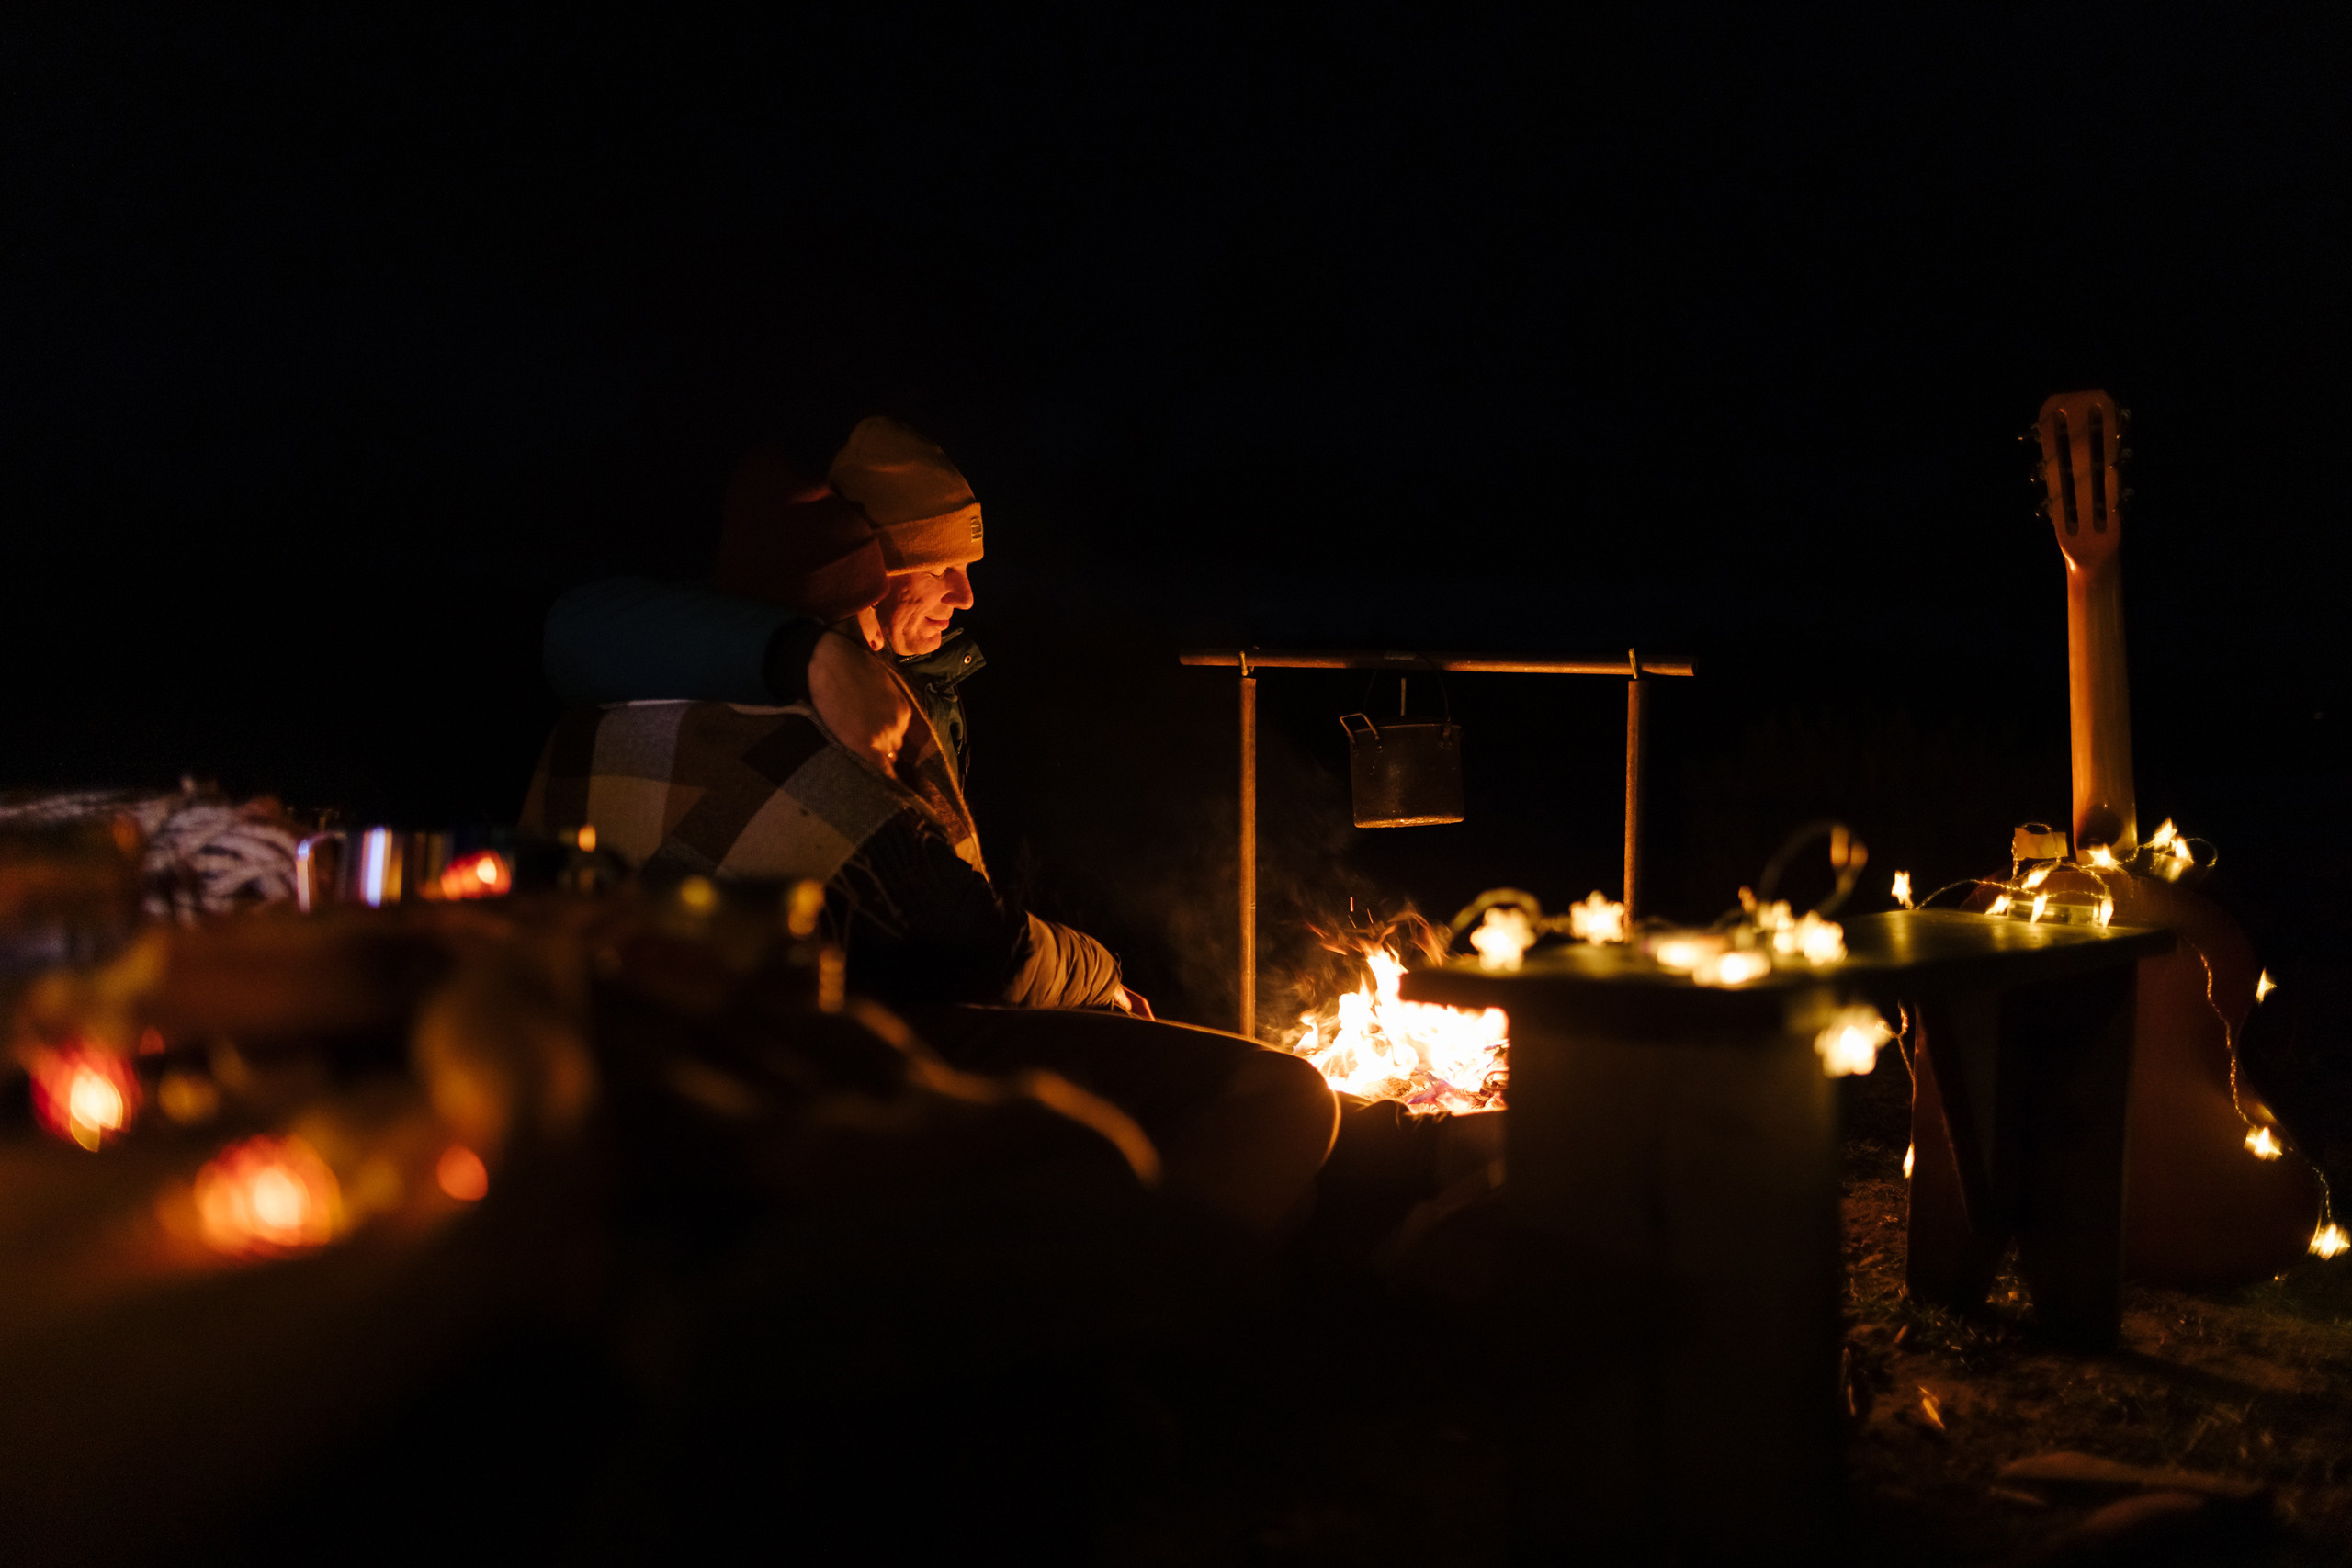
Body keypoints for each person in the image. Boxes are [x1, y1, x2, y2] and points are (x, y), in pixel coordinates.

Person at [523, 420, 1337, 1235]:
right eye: (939, 567)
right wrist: (1101, 972)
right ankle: (1150, 1287)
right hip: (795, 1058)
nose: (968, 595)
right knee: (1283, 1097)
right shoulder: (816, 729)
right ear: (868, 583)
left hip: (682, 1042)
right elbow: (976, 946)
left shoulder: (625, 697)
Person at [545, 416, 985, 784]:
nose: (965, 598)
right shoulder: (735, 633)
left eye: (967, 569)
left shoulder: (938, 679)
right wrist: (803, 657)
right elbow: (574, 635)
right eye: (939, 568)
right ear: (873, 563)